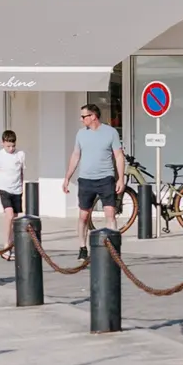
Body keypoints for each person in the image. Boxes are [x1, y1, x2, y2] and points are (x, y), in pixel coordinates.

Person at [62, 103, 126, 260]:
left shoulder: (110, 132)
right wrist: (67, 177)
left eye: (84, 116)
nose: (81, 119)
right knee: (83, 215)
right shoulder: (81, 134)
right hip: (86, 179)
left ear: (93, 117)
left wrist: (121, 178)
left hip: (106, 178)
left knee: (110, 213)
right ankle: (83, 247)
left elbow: (118, 155)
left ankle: (114, 250)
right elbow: (76, 155)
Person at [0, 130, 26, 262]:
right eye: (8, 146)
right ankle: (6, 245)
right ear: (2, 143)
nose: (11, 149)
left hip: (17, 190)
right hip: (4, 189)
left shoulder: (20, 155)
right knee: (9, 215)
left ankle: (12, 244)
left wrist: (22, 188)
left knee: (14, 219)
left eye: (13, 146)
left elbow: (21, 173)